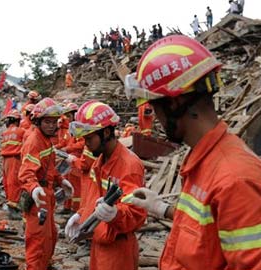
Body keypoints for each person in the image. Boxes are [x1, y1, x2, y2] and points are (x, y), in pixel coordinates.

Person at [125, 35, 261, 269]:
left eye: (154, 107)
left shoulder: (234, 179)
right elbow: (208, 234)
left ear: (174, 104)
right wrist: (162, 208)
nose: (155, 118)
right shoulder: (206, 161)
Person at [65, 101, 147, 270]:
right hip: (100, 242)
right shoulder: (100, 161)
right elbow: (93, 198)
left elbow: (137, 214)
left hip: (118, 248)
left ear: (107, 132)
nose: (86, 144)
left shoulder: (129, 166)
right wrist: (81, 215)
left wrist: (116, 214)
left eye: (89, 138)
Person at [17, 98, 74, 270]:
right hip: (38, 198)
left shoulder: (46, 140)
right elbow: (26, 172)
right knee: (37, 240)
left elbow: (49, 166)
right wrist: (34, 188)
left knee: (50, 236)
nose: (51, 125)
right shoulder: (34, 141)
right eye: (47, 122)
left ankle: (45, 265)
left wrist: (60, 180)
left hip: (46, 194)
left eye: (53, 121)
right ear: (38, 121)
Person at [0, 109, 25, 219]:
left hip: (5, 159)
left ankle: (11, 205)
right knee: (15, 183)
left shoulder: (5, 133)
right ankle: (13, 210)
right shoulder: (21, 131)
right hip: (15, 159)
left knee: (8, 183)